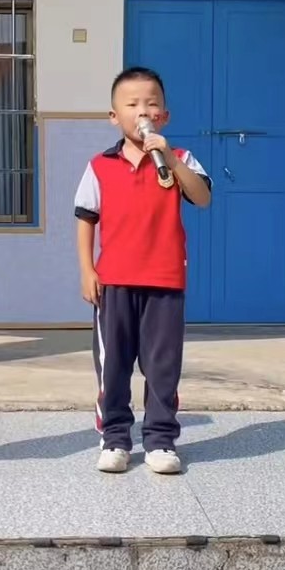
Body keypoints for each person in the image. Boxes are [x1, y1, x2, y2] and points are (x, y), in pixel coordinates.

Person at [73, 67, 212, 474]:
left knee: (162, 365)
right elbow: (85, 218)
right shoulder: (100, 165)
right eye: (132, 104)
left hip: (165, 281)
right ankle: (115, 438)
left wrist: (168, 158)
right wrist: (87, 269)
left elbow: (202, 197)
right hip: (114, 282)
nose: (142, 111)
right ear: (114, 116)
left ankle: (160, 440)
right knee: (113, 365)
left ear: (164, 116)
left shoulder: (180, 159)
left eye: (151, 104)